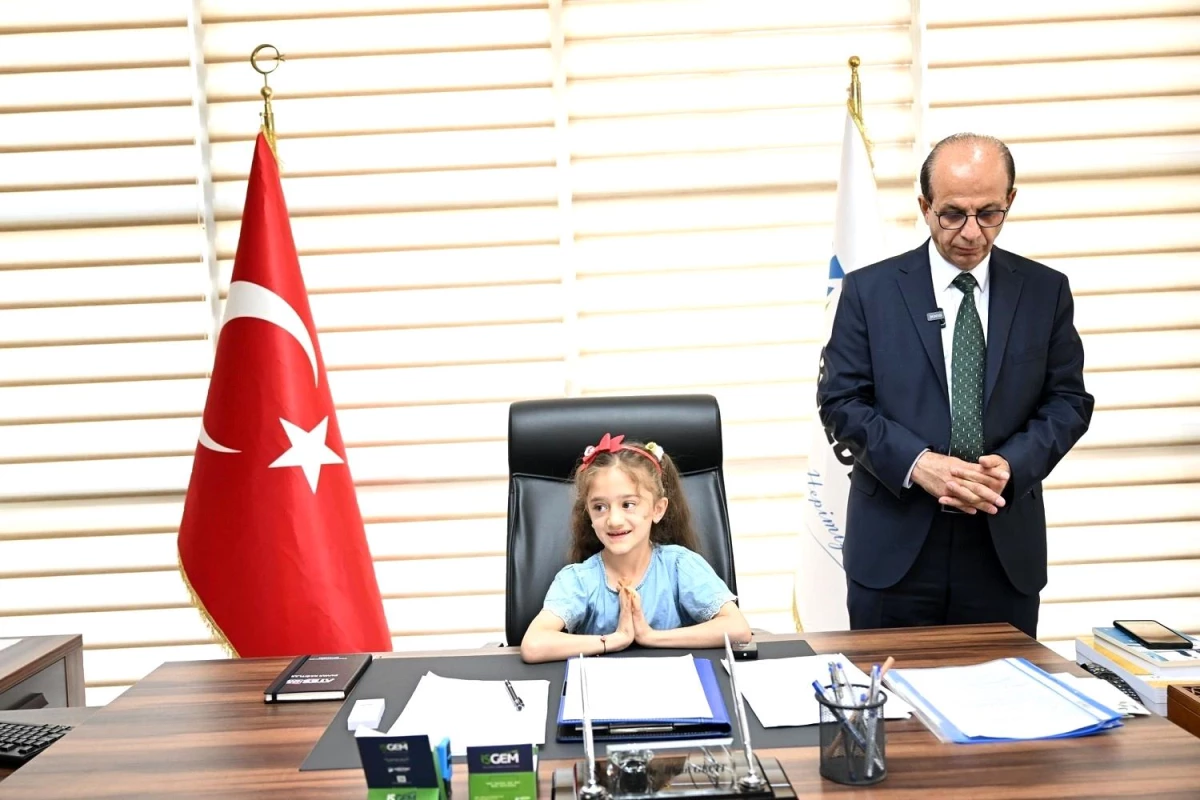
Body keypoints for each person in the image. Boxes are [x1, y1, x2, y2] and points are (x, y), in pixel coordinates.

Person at [817, 133, 1094, 638]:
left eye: (988, 214)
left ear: (1010, 200)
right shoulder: (869, 291)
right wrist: (918, 463)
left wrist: (1012, 465)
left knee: (1005, 686)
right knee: (888, 688)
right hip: (895, 547)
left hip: (1001, 544)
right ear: (925, 206)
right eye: (952, 214)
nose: (970, 232)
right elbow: (841, 401)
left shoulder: (1045, 291)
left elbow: (1068, 402)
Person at [520, 433, 752, 663]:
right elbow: (534, 645)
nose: (614, 520)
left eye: (628, 504)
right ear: (588, 514)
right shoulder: (577, 580)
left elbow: (738, 628)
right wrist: (616, 639)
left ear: (657, 509)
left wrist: (649, 636)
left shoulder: (680, 566)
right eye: (600, 507)